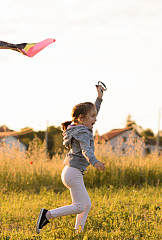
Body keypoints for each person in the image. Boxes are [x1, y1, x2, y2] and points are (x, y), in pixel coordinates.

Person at [36, 85, 106, 234]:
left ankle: (78, 232)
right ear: (81, 118)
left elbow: (92, 111)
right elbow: (86, 150)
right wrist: (95, 162)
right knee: (80, 206)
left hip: (70, 171)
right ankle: (47, 215)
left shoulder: (77, 127)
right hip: (73, 173)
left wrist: (99, 98)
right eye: (93, 117)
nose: (96, 118)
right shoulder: (82, 132)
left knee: (86, 204)